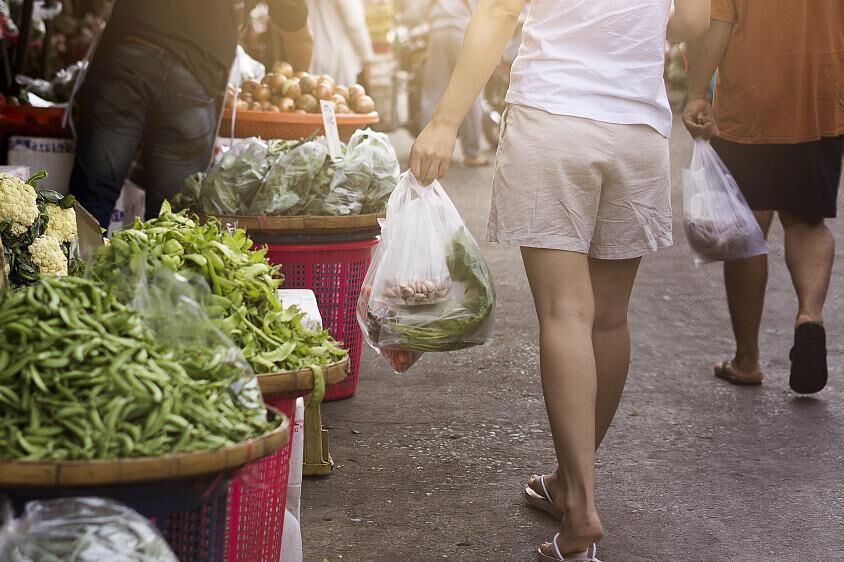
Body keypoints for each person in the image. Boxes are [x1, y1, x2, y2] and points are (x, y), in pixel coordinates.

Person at [409, 0, 709, 559]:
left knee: (566, 313)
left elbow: (499, 11)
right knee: (609, 317)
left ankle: (581, 511)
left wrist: (445, 122)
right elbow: (695, 20)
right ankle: (570, 483)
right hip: (640, 129)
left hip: (555, 116)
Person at [683, 0, 844, 394]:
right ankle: (809, 316)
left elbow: (718, 24)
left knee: (747, 229)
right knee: (807, 220)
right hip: (822, 97)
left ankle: (747, 360)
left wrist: (695, 94)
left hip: (749, 102)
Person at [68, 0, 313, 227]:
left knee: (91, 199)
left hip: (131, 57)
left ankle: (72, 267)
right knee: (170, 222)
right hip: (195, 77)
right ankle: (155, 271)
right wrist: (300, 78)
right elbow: (293, 18)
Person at [419, 0, 489, 168]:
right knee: (470, 90)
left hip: (438, 30)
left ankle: (423, 152)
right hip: (462, 28)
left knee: (432, 92)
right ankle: (471, 153)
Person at [305, 0, 374, 87]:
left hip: (313, 52)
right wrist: (367, 58)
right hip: (336, 58)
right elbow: (355, 25)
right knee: (338, 96)